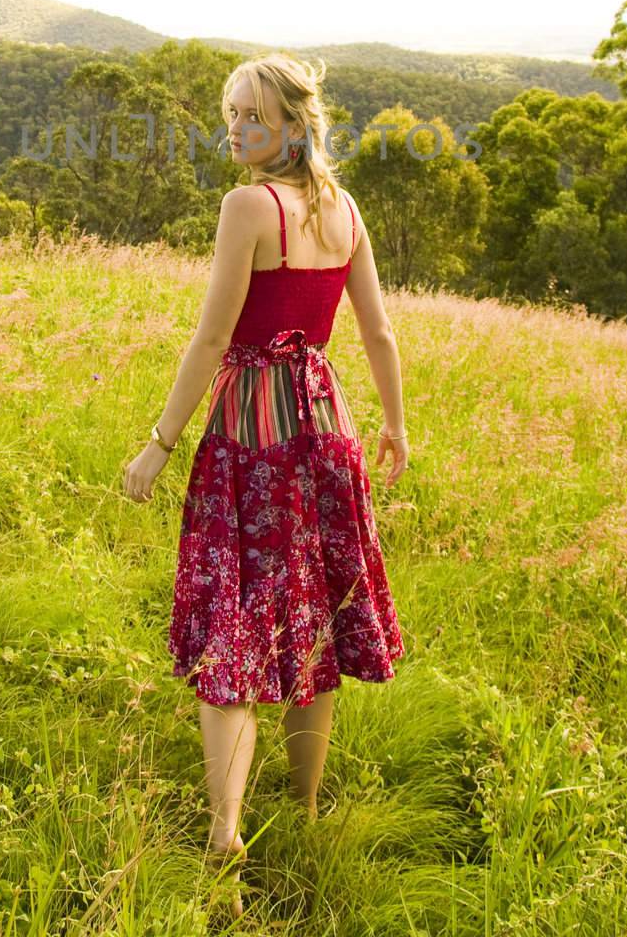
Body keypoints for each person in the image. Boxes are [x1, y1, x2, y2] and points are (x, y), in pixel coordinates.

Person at [122, 52, 408, 915]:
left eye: (251, 114)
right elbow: (380, 333)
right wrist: (393, 425)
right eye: (230, 112)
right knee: (311, 621)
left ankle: (224, 832)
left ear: (292, 124)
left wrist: (160, 444)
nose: (235, 128)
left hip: (254, 431)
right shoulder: (344, 209)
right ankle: (308, 808)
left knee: (233, 626)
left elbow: (212, 340)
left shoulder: (248, 206)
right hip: (326, 427)